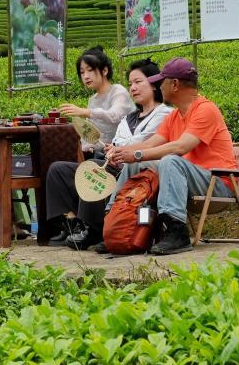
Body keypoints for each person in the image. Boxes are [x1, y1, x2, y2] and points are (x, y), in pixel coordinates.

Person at [97, 57, 236, 255]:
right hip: (189, 179)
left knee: (170, 160)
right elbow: (149, 145)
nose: (158, 86)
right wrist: (122, 152)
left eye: (162, 81)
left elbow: (181, 146)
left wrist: (137, 154)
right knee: (134, 164)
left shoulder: (206, 109)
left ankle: (177, 230)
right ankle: (114, 223)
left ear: (175, 84)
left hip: (218, 184)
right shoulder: (174, 116)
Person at [44, 60, 172, 250]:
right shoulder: (128, 118)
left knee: (94, 169)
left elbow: (146, 142)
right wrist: (111, 148)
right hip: (114, 165)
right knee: (58, 170)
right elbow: (119, 141)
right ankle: (70, 226)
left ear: (154, 84)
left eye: (138, 82)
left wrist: (119, 148)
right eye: (130, 83)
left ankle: (92, 229)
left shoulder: (165, 114)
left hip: (139, 171)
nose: (133, 88)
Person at [57, 46, 135, 157]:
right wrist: (86, 146)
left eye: (90, 70)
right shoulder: (93, 99)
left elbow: (114, 116)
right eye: (82, 72)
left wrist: (86, 112)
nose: (86, 76)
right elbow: (90, 132)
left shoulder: (118, 91)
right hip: (100, 155)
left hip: (121, 155)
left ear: (105, 70)